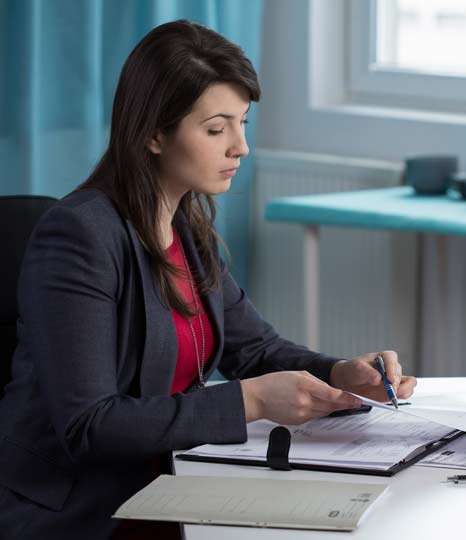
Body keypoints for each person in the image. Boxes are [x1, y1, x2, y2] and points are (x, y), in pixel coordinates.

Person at [0, 20, 416, 539]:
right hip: (85, 511)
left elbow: (256, 349)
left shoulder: (186, 227)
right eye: (217, 129)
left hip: (169, 484)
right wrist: (252, 401)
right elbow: (90, 425)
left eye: (243, 123)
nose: (240, 147)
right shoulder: (80, 236)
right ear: (153, 133)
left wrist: (339, 374)